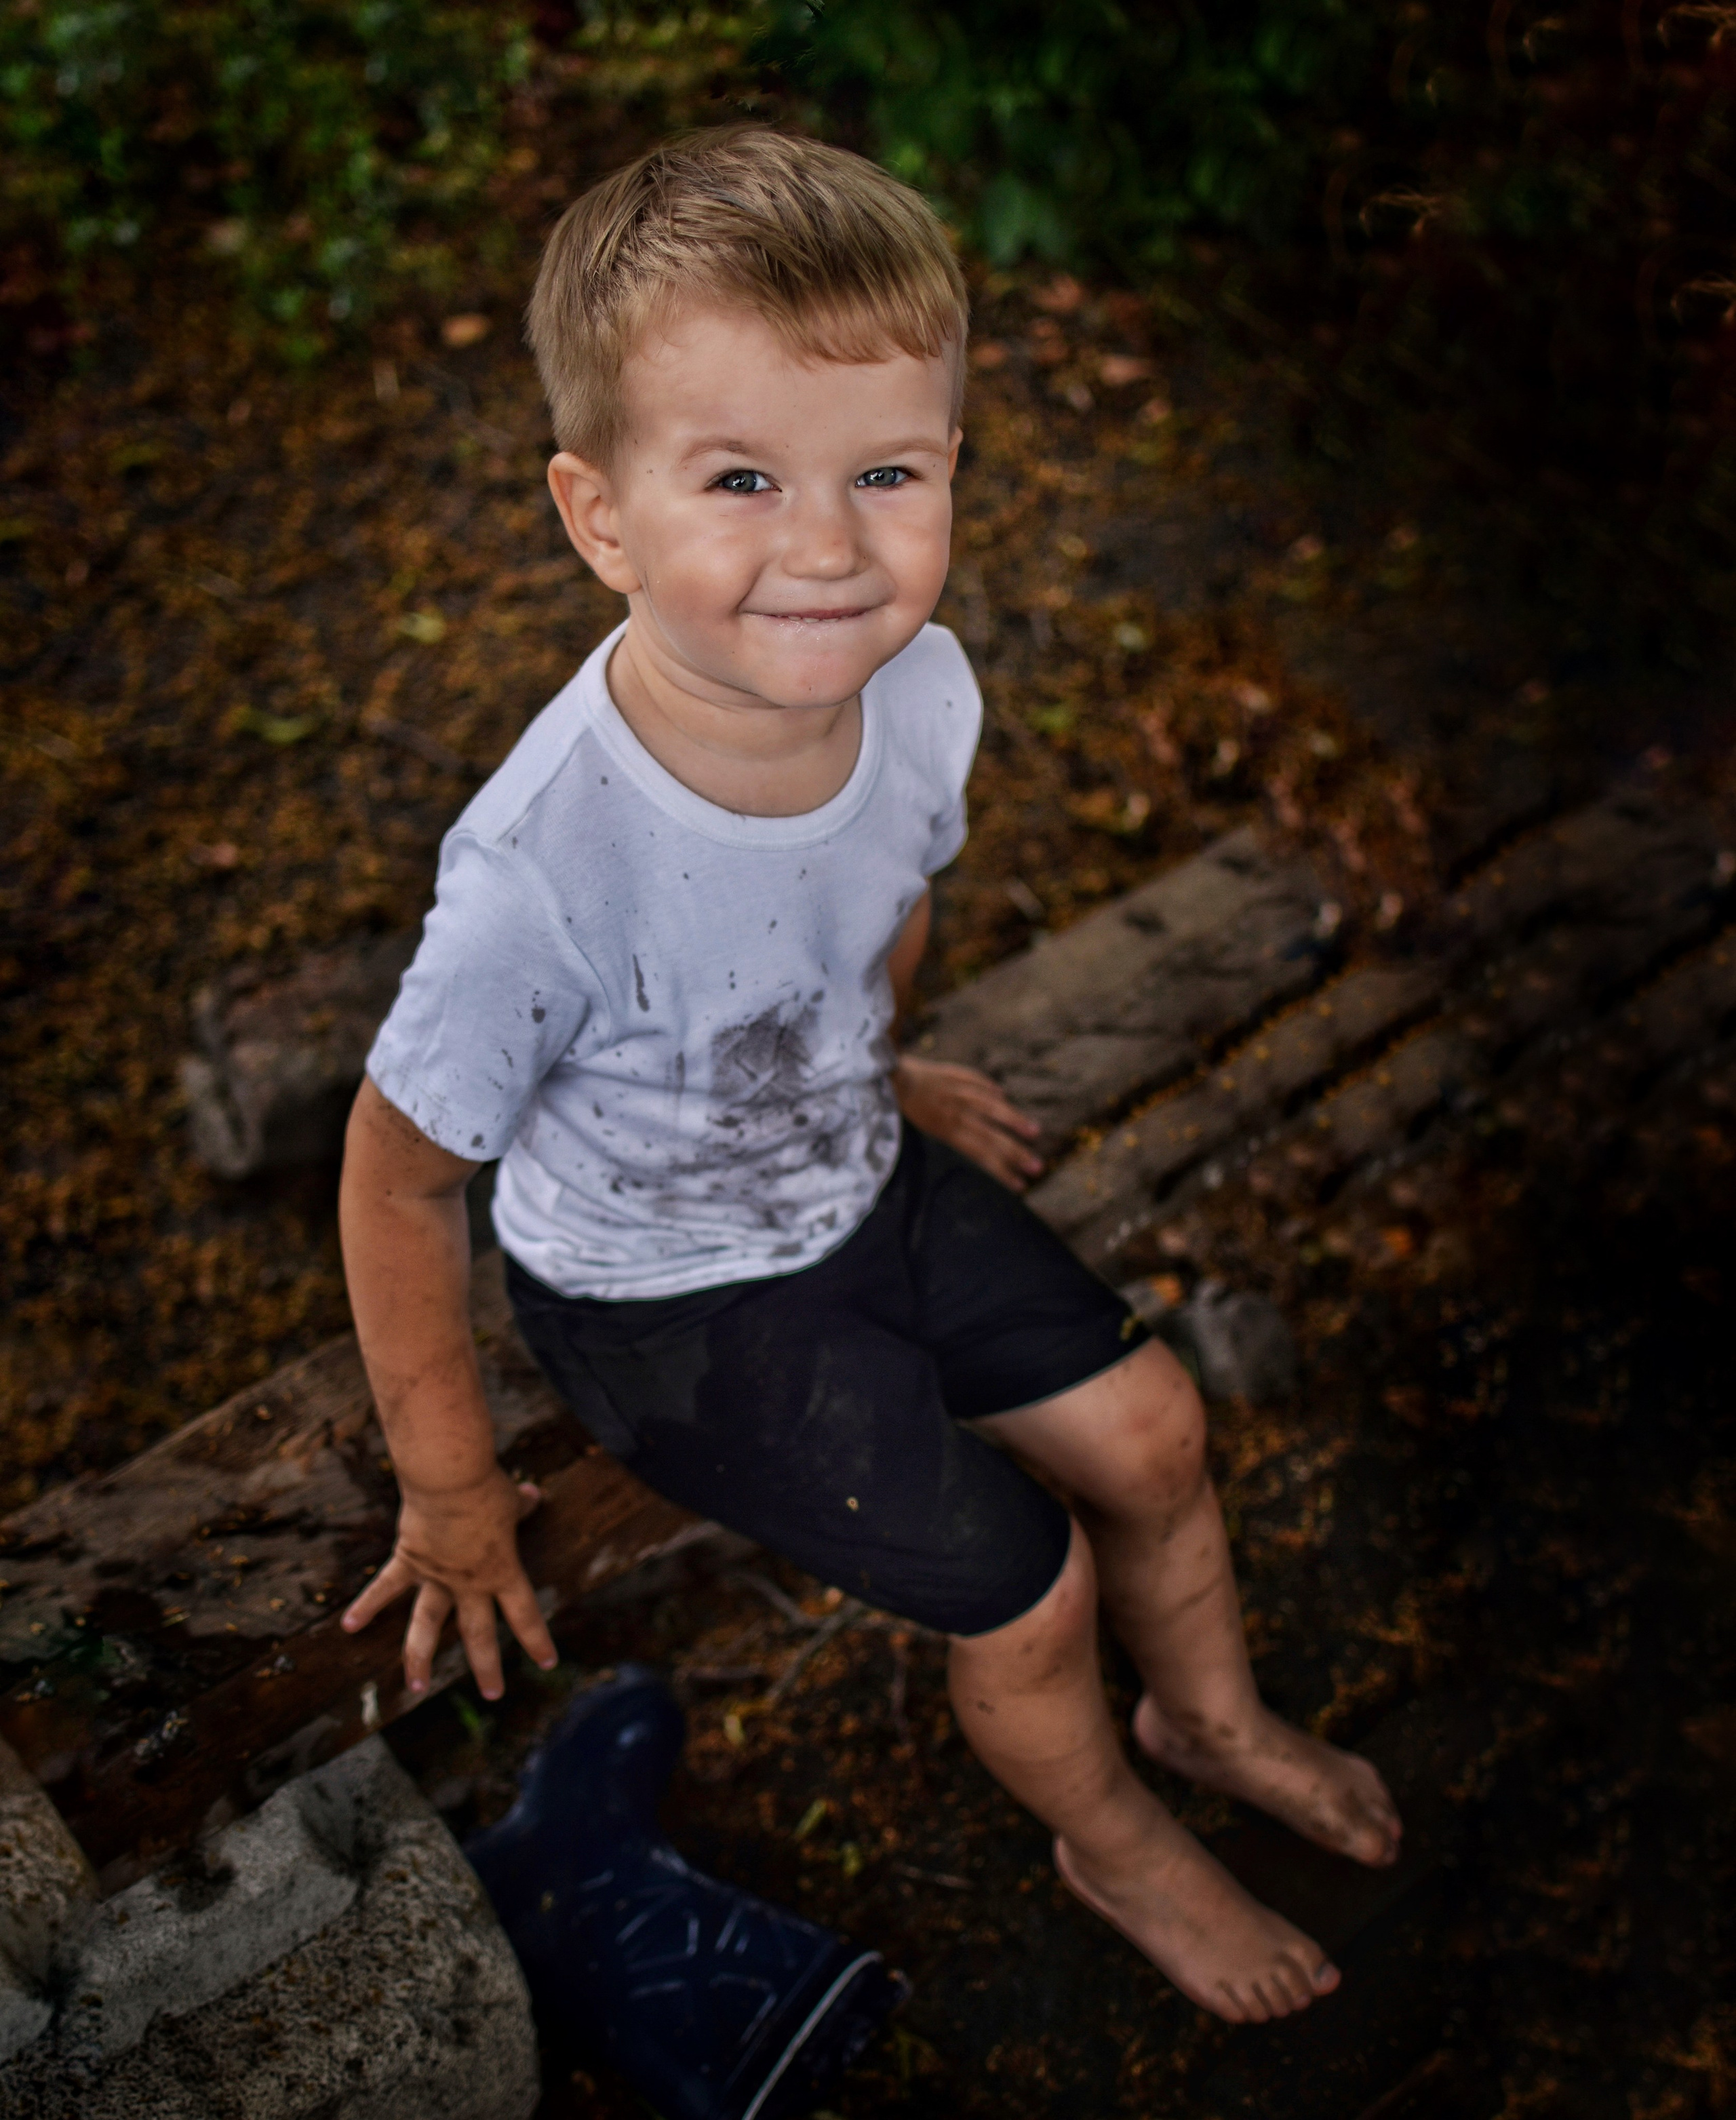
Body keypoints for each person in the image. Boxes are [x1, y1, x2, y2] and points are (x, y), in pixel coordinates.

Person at [338, 125, 1400, 2025]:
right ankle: (1120, 1845)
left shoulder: (921, 687)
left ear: (950, 473)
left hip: (843, 1156)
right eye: (741, 477)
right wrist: (450, 1488)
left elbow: (881, 900)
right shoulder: (542, 873)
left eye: (885, 474)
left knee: (1156, 1435)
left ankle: (1214, 1717)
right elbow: (402, 1179)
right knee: (1033, 1588)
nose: (829, 545)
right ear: (599, 516)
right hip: (668, 1297)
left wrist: (869, 1065)